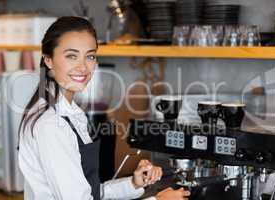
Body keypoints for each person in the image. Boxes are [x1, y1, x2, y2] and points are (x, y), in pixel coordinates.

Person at [18, 16, 191, 200]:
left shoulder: (70, 113)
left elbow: (89, 192)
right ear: (48, 60)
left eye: (90, 56)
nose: (83, 67)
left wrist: (132, 183)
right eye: (71, 56)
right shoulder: (51, 124)